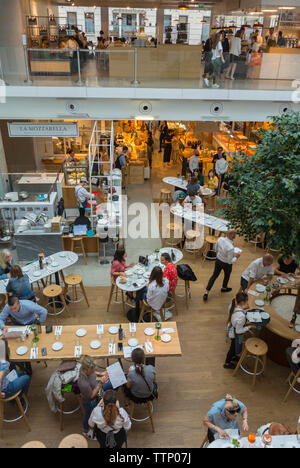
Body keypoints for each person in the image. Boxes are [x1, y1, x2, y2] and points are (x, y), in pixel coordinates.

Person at [78, 356, 113, 439]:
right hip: (89, 401)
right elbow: (91, 396)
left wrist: (101, 374)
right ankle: (86, 431)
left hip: (95, 389)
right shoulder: (83, 383)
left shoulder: (86, 369)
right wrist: (100, 383)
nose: (93, 371)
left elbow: (94, 372)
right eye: (92, 370)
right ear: (86, 370)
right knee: (88, 415)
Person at [203, 230, 241, 302]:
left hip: (218, 260)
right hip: (226, 264)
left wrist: (221, 253)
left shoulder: (220, 239)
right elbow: (230, 261)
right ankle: (224, 288)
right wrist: (236, 257)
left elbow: (216, 249)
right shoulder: (230, 248)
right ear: (233, 236)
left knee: (214, 276)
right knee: (227, 275)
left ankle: (206, 292)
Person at [224, 292, 256, 369]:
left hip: (232, 328)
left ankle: (234, 356)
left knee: (233, 347)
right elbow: (239, 331)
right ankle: (227, 363)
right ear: (242, 302)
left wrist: (245, 311)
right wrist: (249, 327)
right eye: (246, 300)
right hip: (236, 333)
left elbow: (236, 315)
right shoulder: (241, 316)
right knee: (232, 348)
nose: (247, 302)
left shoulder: (232, 304)